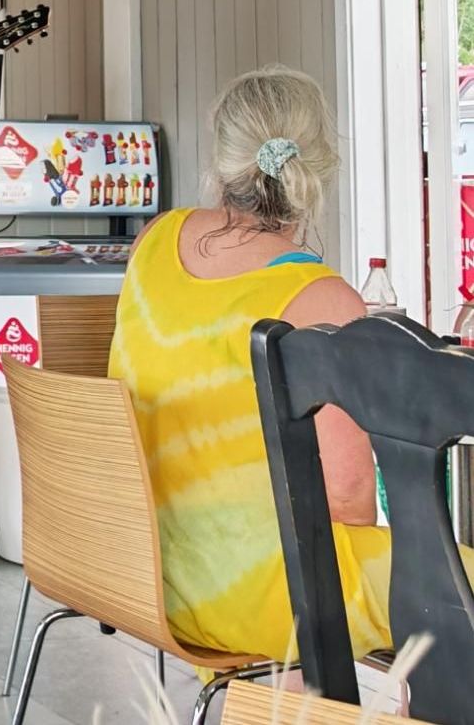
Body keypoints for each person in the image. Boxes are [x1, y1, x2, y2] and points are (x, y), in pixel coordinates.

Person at [108, 65, 474, 661]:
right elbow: (348, 501)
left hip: (143, 572)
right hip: (270, 596)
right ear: (319, 165)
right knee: (451, 580)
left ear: (222, 158)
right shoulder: (320, 299)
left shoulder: (155, 240)